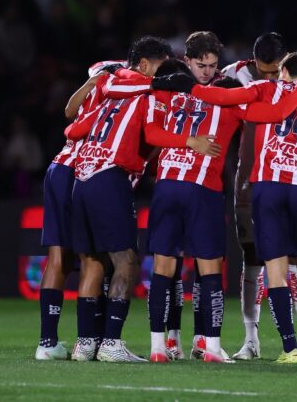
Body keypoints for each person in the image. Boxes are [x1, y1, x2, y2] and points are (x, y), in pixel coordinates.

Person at [142, 49, 297, 363]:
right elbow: (276, 114)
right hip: (202, 189)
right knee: (209, 272)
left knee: (162, 270)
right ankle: (212, 348)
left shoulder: (175, 99)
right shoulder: (232, 105)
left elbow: (151, 131)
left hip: (166, 185)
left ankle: (157, 348)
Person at [65, 37, 219, 363]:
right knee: (126, 261)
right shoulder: (148, 94)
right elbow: (153, 134)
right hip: (110, 176)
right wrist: (190, 140)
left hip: (82, 174)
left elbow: (73, 130)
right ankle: (111, 343)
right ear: (146, 65)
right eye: (162, 70)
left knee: (93, 262)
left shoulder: (112, 91)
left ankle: (85, 343)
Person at [220, 32, 297, 360]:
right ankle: (254, 339)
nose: (269, 78)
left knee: (286, 262)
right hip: (259, 179)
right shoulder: (235, 73)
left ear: (284, 64)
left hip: (275, 181)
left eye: (274, 71)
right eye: (263, 71)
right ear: (254, 62)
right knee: (256, 258)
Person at [34, 62, 119, 361]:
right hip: (87, 170)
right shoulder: (123, 95)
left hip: (58, 167)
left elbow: (68, 112)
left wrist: (91, 83)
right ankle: (89, 340)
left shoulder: (89, 94)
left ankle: (47, 343)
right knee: (92, 257)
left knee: (58, 256)